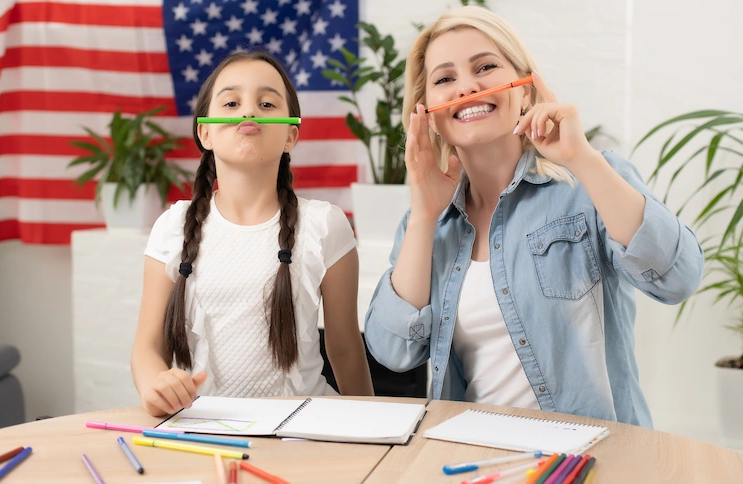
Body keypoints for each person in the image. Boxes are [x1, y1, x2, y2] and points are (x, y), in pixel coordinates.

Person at [363, 6, 703, 427]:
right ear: (427, 111)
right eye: (445, 79)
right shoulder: (428, 224)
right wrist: (422, 215)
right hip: (470, 455)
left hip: (591, 458)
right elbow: (393, 352)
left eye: (485, 66)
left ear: (525, 89)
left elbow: (679, 277)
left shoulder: (587, 180)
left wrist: (583, 159)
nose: (467, 87)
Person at [132, 52, 374, 417]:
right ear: (205, 132)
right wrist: (154, 384)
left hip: (304, 429)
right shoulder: (172, 227)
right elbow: (147, 347)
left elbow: (345, 349)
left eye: (266, 103)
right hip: (205, 427)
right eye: (231, 102)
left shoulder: (326, 225)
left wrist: (374, 429)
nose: (249, 113)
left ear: (291, 135)